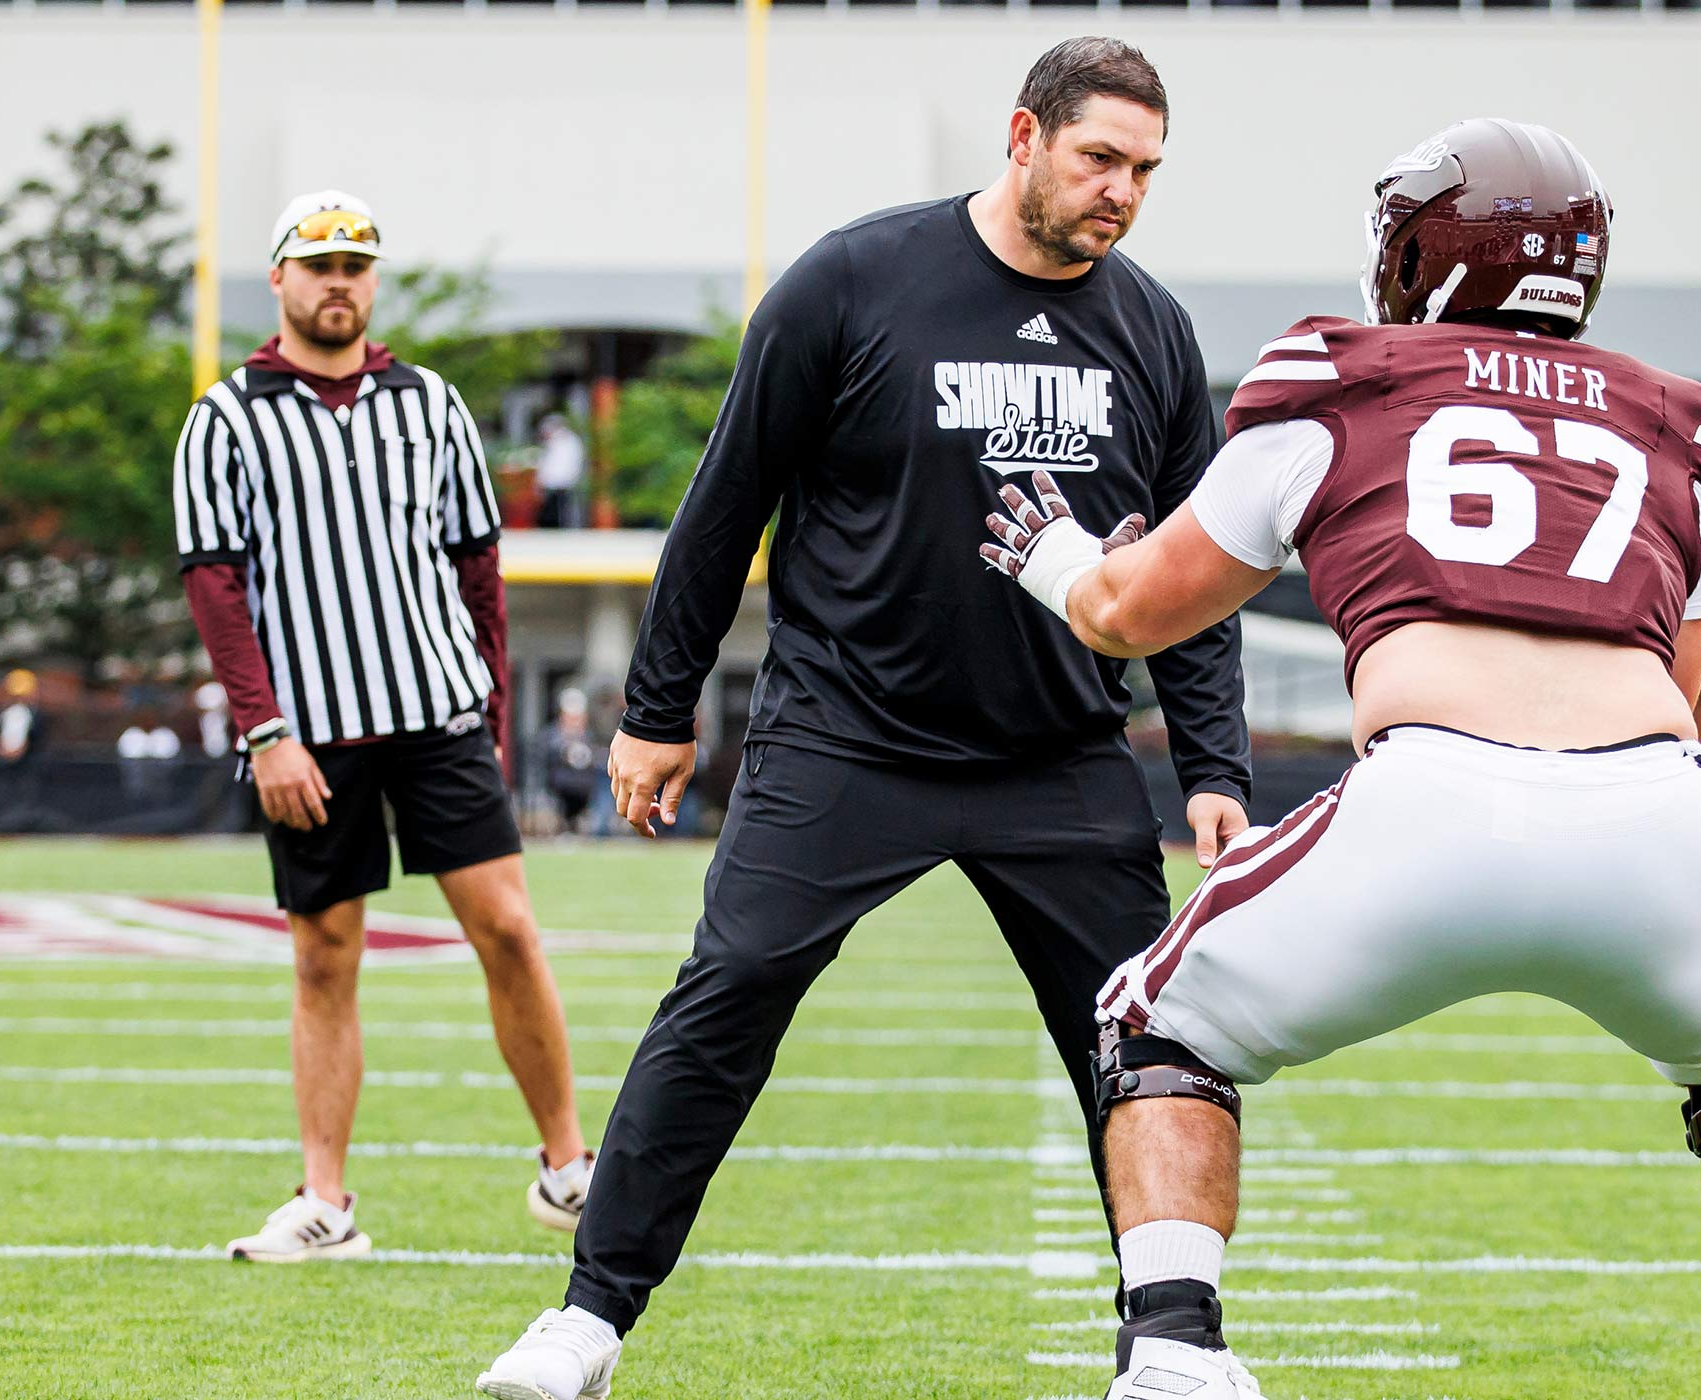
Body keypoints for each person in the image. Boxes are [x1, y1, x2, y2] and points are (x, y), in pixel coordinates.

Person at [982, 119, 1701, 1400]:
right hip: (1657, 809)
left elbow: (1131, 613)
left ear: (1422, 254)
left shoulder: (1340, 378)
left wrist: (1050, 549)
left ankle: (1173, 1349)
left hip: (1430, 798)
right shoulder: (1673, 428)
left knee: (1153, 1024)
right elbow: (1680, 686)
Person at [475, 38, 1250, 1399]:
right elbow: (725, 508)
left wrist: (1213, 763)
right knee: (725, 1000)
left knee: (1151, 1044)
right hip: (849, 734)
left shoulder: (1155, 332)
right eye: (1098, 158)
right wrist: (659, 711)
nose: (1122, 191)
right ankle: (587, 1321)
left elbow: (1192, 574)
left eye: (1144, 170)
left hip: (1058, 755)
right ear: (1024, 136)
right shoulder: (853, 279)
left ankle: (1175, 1345)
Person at [173, 189, 594, 1262]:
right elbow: (217, 587)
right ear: (279, 280)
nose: (338, 282)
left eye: (356, 264)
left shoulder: (432, 404)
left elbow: (477, 565)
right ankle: (326, 1199)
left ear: (374, 279)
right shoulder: (226, 417)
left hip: (435, 712)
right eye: (317, 265)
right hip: (309, 731)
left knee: (506, 928)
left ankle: (569, 1166)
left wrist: (491, 705)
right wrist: (264, 731)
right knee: (326, 953)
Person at [533, 688, 597, 833]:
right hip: (560, 784)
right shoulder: (552, 735)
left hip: (583, 787)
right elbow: (546, 761)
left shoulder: (587, 736)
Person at [533, 413, 586, 528]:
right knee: (551, 508)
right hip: (553, 481)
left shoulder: (568, 441)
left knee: (560, 508)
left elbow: (562, 463)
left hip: (561, 480)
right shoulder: (554, 442)